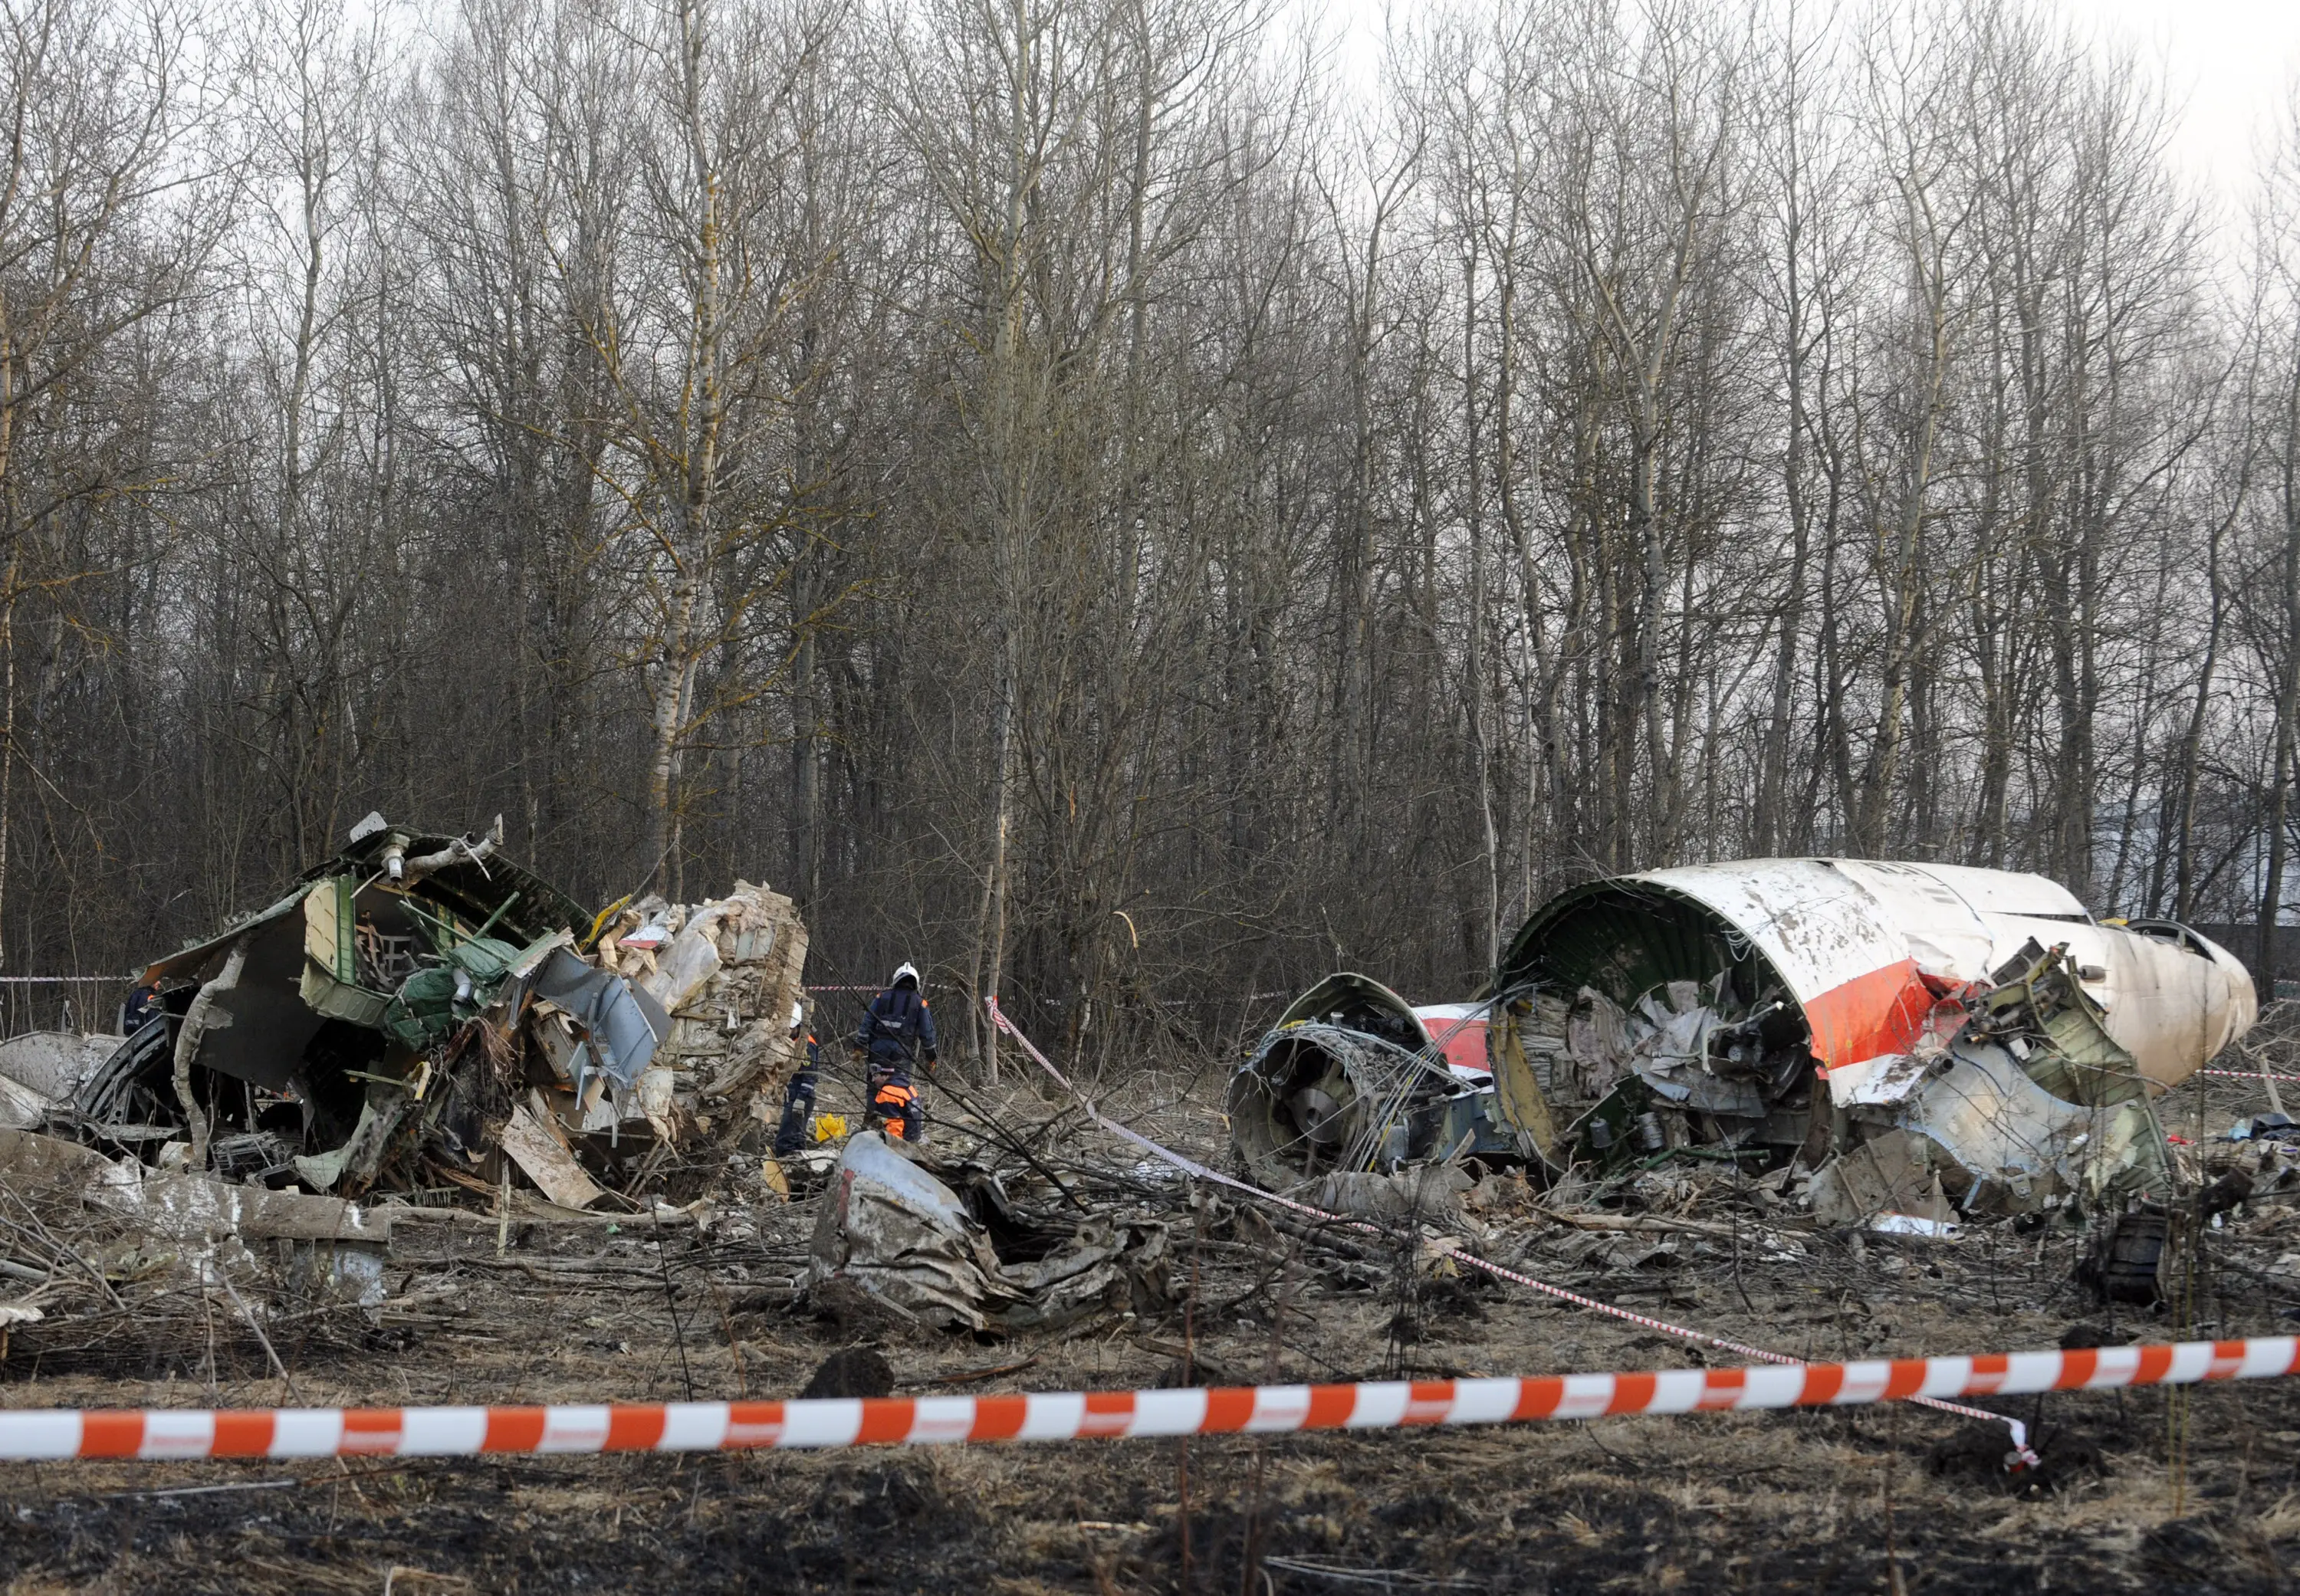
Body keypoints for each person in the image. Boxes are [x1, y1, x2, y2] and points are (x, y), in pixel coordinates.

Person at [856, 961, 936, 1142]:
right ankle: (897, 1131)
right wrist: (931, 1058)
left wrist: (859, 1046)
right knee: (898, 1087)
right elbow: (927, 1034)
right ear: (915, 982)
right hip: (901, 1052)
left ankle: (871, 1125)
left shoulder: (881, 997)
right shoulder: (920, 1003)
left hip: (877, 1049)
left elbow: (867, 1022)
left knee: (874, 1087)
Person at [772, 1000, 821, 1158]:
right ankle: (800, 1163)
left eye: (790, 1028)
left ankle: (788, 1163)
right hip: (793, 1093)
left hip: (801, 1096)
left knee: (786, 1140)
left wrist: (801, 1099)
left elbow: (810, 1075)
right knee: (796, 1136)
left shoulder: (807, 1045)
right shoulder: (793, 1041)